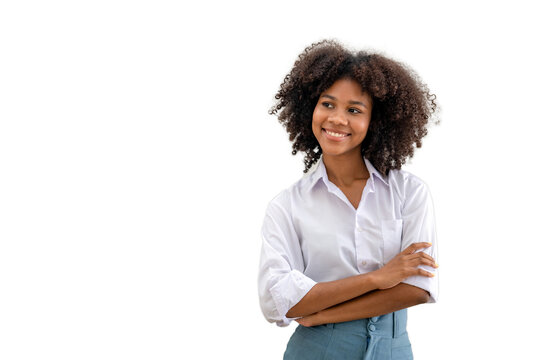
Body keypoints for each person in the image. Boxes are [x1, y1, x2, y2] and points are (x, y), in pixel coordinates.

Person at [257, 39, 440, 360]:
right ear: (309, 109)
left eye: (354, 110)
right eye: (327, 104)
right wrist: (377, 278)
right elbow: (278, 303)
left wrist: (324, 313)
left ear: (376, 121)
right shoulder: (287, 206)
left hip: (393, 349)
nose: (337, 119)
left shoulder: (409, 192)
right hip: (316, 350)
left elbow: (417, 288)